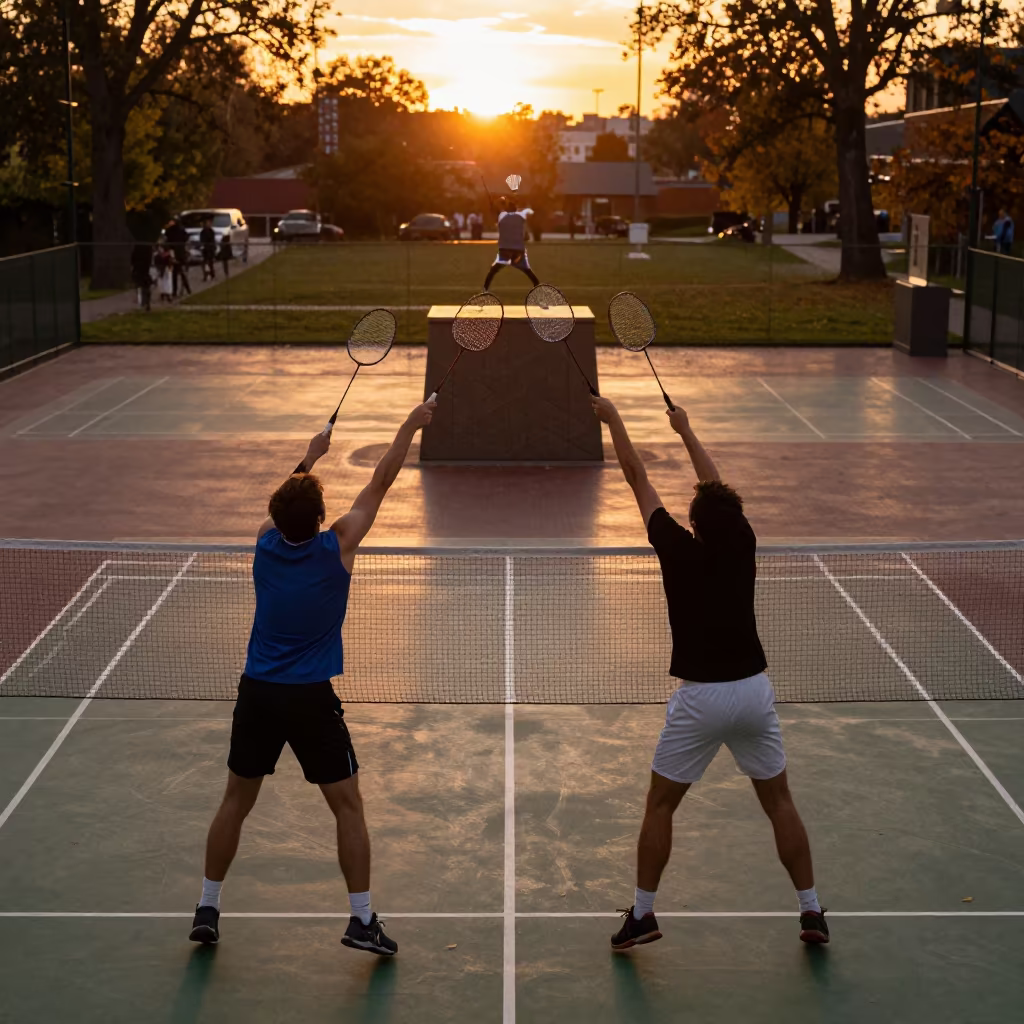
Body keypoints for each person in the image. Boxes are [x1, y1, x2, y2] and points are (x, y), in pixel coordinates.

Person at [189, 400, 437, 954]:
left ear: (278, 520)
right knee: (347, 805)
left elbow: (283, 507)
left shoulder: (263, 544)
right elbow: (381, 479)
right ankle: (362, 919)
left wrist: (309, 457)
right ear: (321, 520)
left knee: (236, 799)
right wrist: (409, 424)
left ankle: (207, 907)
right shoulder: (338, 547)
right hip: (309, 701)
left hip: (257, 693)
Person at [589, 395, 828, 951]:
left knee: (661, 804)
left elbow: (634, 476)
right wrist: (687, 431)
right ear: (731, 520)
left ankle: (643, 915)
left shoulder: (676, 547)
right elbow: (718, 494)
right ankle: (811, 910)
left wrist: (614, 420)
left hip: (700, 701)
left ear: (694, 522)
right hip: (752, 693)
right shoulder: (742, 541)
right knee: (779, 802)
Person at [483, 196, 540, 291]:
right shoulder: (521, 217)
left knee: (493, 270)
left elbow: (495, 213)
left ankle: (485, 289)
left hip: (505, 250)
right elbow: (526, 236)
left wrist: (494, 204)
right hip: (519, 251)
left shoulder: (502, 216)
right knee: (528, 271)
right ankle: (538, 289)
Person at [165, 217, 191, 298]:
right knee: (177, 273)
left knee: (179, 273)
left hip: (178, 253)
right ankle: (179, 290)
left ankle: (182, 289)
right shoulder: (172, 231)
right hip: (176, 253)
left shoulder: (175, 231)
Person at [130, 241, 154, 312]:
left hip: (139, 269)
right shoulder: (148, 248)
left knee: (140, 287)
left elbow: (133, 258)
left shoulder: (138, 247)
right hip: (145, 269)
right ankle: (146, 303)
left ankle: (143, 303)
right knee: (146, 287)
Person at [199, 216, 217, 281]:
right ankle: (206, 275)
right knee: (205, 263)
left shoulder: (211, 231)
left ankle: (211, 274)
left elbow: (212, 240)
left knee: (210, 262)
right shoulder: (203, 232)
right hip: (206, 249)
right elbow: (202, 240)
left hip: (210, 249)